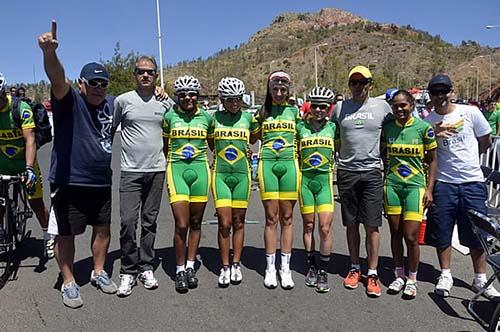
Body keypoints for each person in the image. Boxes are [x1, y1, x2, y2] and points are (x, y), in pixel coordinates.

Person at [38, 21, 117, 308]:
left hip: (101, 181)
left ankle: (98, 272)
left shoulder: (111, 103)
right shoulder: (68, 99)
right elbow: (57, 77)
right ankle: (69, 281)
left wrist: (158, 93)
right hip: (69, 180)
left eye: (102, 83)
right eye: (92, 83)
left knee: (103, 229)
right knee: (66, 234)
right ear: (81, 84)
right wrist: (49, 53)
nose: (98, 88)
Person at [423, 74, 500, 300]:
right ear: (430, 95)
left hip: (472, 182)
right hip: (444, 183)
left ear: (451, 92)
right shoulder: (429, 123)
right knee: (442, 230)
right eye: (435, 92)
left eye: (443, 91)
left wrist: (472, 159)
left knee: (478, 232)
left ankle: (480, 279)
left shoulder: (471, 113)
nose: (440, 96)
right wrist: (434, 135)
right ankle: (445, 274)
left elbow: (485, 139)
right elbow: (426, 153)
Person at [113, 56, 170, 296]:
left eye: (150, 72)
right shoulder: (122, 101)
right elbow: (110, 131)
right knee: (128, 222)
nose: (145, 75)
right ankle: (128, 270)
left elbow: (175, 128)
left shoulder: (165, 103)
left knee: (149, 222)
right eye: (140, 71)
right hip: (130, 171)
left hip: (156, 170)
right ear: (134, 74)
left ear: (156, 75)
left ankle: (146, 265)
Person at [332, 65, 391, 297]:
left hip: (372, 172)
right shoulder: (339, 108)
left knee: (372, 225)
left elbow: (401, 125)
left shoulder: (382, 107)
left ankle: (373, 272)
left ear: (370, 84)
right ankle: (355, 267)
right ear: (349, 86)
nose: (358, 87)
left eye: (362, 82)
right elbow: (323, 127)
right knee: (351, 224)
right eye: (353, 83)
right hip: (346, 172)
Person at [382, 90, 437, 299]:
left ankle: (412, 279)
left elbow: (433, 160)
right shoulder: (387, 129)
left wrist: (429, 189)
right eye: (395, 106)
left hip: (415, 187)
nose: (399, 109)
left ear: (412, 104)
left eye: (403, 105)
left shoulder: (424, 128)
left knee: (411, 236)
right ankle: (398, 274)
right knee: (395, 232)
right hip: (393, 186)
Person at [163, 75, 213, 293]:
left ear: (198, 96)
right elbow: (165, 146)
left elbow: (213, 145)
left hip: (201, 171)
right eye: (182, 94)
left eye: (192, 94)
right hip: (177, 171)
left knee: (195, 222)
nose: (187, 98)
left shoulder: (207, 118)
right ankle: (179, 269)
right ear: (177, 96)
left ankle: (191, 266)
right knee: (181, 224)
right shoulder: (169, 117)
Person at [208, 77, 259, 287]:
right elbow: (211, 144)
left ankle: (236, 264)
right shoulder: (213, 118)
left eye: (237, 99)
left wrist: (248, 150)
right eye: (229, 99)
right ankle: (225, 266)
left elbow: (255, 139)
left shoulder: (249, 119)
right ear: (222, 99)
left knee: (238, 221)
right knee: (224, 223)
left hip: (242, 176)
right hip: (220, 175)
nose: (234, 103)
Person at [255, 70, 300, 289]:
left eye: (283, 90)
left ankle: (286, 268)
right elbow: (250, 134)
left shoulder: (295, 112)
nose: (279, 93)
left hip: (290, 168)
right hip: (268, 168)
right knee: (271, 218)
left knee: (288, 218)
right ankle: (270, 268)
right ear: (269, 89)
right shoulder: (262, 112)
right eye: (275, 89)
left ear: (288, 90)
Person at [0, 73, 52, 257]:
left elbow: (30, 140)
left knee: (35, 202)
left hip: (24, 162)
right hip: (3, 163)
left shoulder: (19, 107)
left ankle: (48, 235)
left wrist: (29, 168)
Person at [297, 87, 336, 293]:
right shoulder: (299, 127)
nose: (320, 110)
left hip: (324, 183)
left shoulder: (333, 128)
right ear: (309, 106)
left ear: (329, 108)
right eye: (316, 106)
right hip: (305, 181)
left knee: (325, 227)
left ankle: (323, 270)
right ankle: (311, 265)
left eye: (324, 106)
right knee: (309, 225)